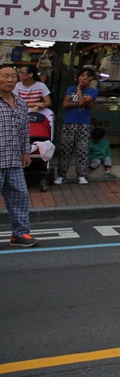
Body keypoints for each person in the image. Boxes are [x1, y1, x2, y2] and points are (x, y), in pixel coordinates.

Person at [0, 64, 38, 247]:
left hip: (14, 160)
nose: (9, 80)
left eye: (13, 77)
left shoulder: (21, 103)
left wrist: (26, 152)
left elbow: (24, 131)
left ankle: (20, 234)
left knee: (20, 197)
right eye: (5, 76)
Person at [55, 66, 98, 185]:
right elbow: (65, 104)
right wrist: (81, 102)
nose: (81, 78)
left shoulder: (93, 91)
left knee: (82, 150)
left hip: (83, 124)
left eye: (84, 76)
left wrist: (79, 90)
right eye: (80, 76)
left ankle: (81, 175)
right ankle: (61, 175)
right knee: (65, 149)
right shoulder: (70, 89)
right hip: (69, 122)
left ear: (90, 78)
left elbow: (82, 102)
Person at [14, 65, 53, 140]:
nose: (20, 75)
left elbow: (48, 102)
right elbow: (16, 103)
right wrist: (36, 104)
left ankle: (48, 139)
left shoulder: (41, 86)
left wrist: (38, 106)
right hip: (21, 109)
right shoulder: (17, 86)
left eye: (22, 73)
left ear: (31, 74)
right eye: (19, 72)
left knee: (49, 116)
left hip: (38, 110)